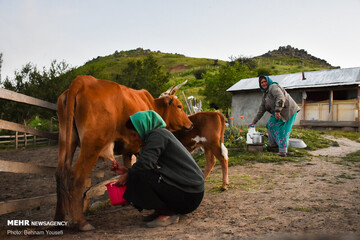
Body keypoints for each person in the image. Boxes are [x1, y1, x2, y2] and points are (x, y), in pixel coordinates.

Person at [110, 110, 205, 228]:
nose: (134, 139)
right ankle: (162, 210)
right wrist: (126, 171)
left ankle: (168, 213)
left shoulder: (158, 135)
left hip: (189, 195)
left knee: (140, 175)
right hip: (189, 192)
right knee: (139, 174)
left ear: (143, 128)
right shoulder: (155, 137)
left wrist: (128, 175)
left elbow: (145, 165)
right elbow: (147, 166)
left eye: (134, 134)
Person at [249, 75, 300, 157]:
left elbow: (280, 97)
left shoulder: (273, 87)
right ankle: (274, 146)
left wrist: (277, 110)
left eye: (265, 81)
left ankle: (283, 151)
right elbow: (261, 110)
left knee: (282, 130)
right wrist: (254, 122)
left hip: (288, 111)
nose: (263, 83)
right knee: (270, 125)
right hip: (279, 113)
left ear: (268, 81)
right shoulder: (265, 95)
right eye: (261, 82)